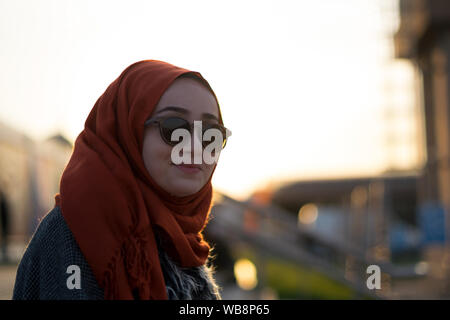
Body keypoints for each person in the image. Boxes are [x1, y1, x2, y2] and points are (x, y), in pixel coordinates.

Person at [13, 60, 231, 300]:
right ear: (128, 130)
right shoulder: (76, 232)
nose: (195, 146)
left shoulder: (183, 241)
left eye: (210, 132)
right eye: (174, 127)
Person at [0, 190, 10, 263]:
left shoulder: (3, 202)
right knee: (4, 241)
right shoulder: (3, 202)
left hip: (4, 225)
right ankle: (4, 255)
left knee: (4, 241)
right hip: (4, 225)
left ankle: (4, 255)